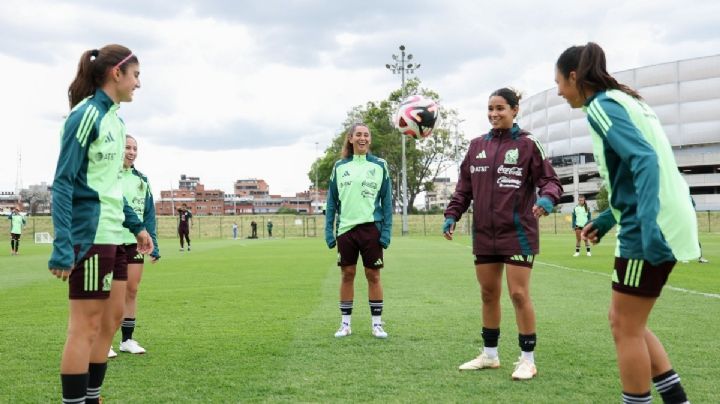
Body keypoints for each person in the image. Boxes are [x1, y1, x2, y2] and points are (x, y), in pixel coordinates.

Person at [556, 42, 699, 404]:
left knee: (625, 327)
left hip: (651, 224)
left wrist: (648, 226)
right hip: (667, 217)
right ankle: (676, 400)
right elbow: (633, 172)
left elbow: (645, 160)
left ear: (575, 77)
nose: (558, 91)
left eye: (559, 82)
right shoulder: (629, 101)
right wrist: (606, 219)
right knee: (628, 322)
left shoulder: (600, 106)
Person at [48, 44, 153, 404]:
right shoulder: (86, 116)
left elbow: (109, 186)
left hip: (116, 236)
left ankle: (92, 397)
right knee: (86, 327)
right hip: (90, 237)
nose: (138, 83)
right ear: (116, 74)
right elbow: (63, 183)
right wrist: (63, 245)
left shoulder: (116, 119)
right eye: (136, 75)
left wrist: (137, 226)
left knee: (109, 323)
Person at [443, 88, 562, 380]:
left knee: (519, 294)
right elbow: (464, 190)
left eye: (500, 108)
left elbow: (550, 181)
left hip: (518, 232)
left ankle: (527, 359)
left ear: (514, 110)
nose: (494, 114)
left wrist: (546, 200)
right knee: (488, 294)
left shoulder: (528, 144)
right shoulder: (475, 147)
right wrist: (451, 215)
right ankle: (490, 355)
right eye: (490, 109)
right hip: (484, 233)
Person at [325, 123, 393, 339]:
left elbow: (387, 201)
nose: (363, 138)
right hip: (346, 230)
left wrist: (386, 232)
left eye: (366, 135)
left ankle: (377, 324)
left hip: (371, 228)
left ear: (369, 140)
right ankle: (345, 324)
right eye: (359, 135)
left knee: (373, 274)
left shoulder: (380, 165)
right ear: (351, 138)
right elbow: (332, 202)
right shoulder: (339, 167)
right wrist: (329, 230)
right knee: (347, 274)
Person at [108, 135, 160, 358]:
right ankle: (104, 341)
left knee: (132, 289)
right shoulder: (109, 176)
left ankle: (127, 340)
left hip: (135, 243)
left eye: (134, 148)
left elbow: (148, 214)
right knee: (112, 292)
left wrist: (153, 243)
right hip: (111, 238)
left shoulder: (142, 180)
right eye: (127, 147)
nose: (131, 151)